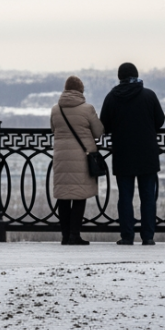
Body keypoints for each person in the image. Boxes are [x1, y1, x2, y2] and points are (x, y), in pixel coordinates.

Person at [99, 62, 165, 246]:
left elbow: (104, 125)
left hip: (123, 153)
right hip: (147, 153)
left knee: (125, 197)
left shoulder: (112, 97)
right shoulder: (149, 95)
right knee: (148, 197)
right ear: (136, 75)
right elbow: (160, 120)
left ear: (119, 77)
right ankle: (148, 236)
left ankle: (127, 236)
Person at [50, 76, 105, 245]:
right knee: (79, 196)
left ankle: (65, 235)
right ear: (81, 90)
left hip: (61, 157)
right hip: (82, 157)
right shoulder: (87, 109)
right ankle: (75, 234)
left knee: (64, 197)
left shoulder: (56, 109)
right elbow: (98, 132)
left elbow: (53, 129)